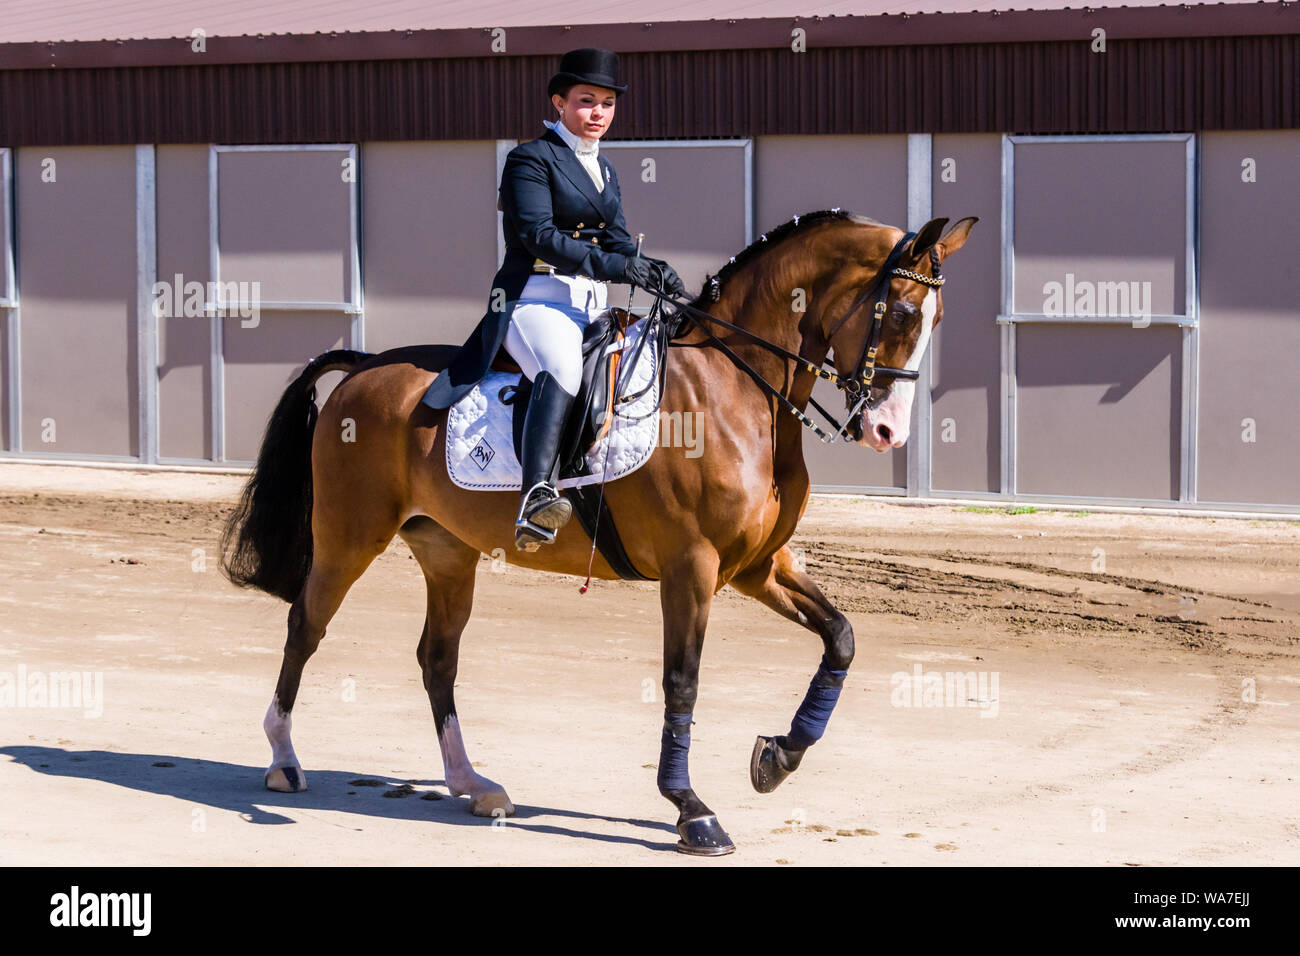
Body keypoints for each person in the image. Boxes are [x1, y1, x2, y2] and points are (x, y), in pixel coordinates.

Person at [420, 47, 687, 551]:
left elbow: (616, 240)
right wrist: (619, 265)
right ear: (559, 102)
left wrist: (652, 269)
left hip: (589, 302)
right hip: (532, 297)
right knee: (563, 369)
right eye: (588, 102)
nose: (599, 113)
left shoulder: (605, 170)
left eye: (608, 104)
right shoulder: (529, 159)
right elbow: (539, 237)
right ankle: (535, 494)